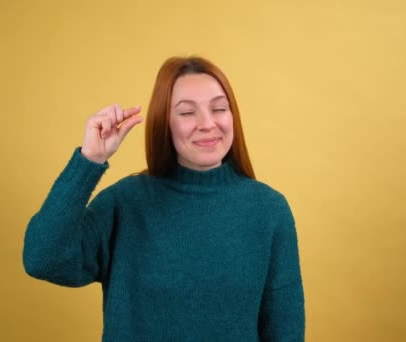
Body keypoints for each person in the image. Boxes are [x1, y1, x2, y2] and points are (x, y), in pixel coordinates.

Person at [23, 56, 305, 341]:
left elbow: (285, 332)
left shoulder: (269, 211)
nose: (207, 124)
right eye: (186, 113)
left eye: (219, 108)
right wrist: (89, 161)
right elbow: (43, 259)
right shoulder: (126, 202)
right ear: (164, 122)